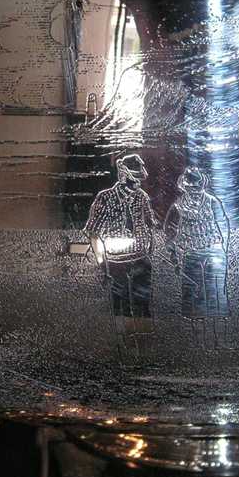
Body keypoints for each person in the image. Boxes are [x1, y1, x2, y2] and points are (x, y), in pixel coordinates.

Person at [84, 154, 156, 361]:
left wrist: (149, 247)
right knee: (120, 304)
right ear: (124, 175)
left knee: (143, 302)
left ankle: (144, 348)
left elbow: (150, 223)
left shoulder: (142, 197)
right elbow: (93, 231)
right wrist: (101, 262)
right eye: (135, 178)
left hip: (140, 258)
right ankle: (123, 348)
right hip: (115, 261)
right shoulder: (105, 197)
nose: (138, 182)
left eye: (140, 178)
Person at [163, 167, 231, 350]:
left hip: (214, 253)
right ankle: (199, 344)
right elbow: (169, 232)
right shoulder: (178, 206)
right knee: (194, 301)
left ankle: (220, 342)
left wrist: (224, 252)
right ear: (184, 186)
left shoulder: (212, 201)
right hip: (191, 255)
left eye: (197, 186)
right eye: (190, 186)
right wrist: (174, 257)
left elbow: (224, 225)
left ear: (202, 184)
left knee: (218, 298)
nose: (194, 189)